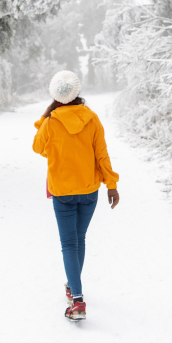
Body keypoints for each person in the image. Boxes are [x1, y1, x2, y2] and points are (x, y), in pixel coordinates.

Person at [32, 70, 119, 321]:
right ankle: (73, 288)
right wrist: (111, 185)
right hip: (89, 191)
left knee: (69, 244)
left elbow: (38, 147)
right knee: (79, 239)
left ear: (55, 96)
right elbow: (102, 154)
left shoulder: (51, 122)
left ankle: (78, 301)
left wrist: (45, 118)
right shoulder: (91, 118)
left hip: (63, 192)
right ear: (77, 93)